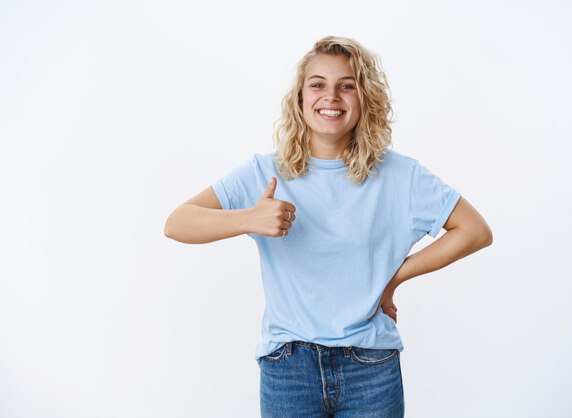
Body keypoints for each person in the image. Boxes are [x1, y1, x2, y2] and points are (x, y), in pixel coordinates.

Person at [164, 35, 492, 418]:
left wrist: (394, 278)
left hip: (371, 366)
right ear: (300, 98)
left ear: (365, 97)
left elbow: (475, 231)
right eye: (317, 84)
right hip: (289, 367)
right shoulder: (263, 172)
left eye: (346, 86)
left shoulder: (401, 176)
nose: (331, 97)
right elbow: (177, 223)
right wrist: (247, 219)